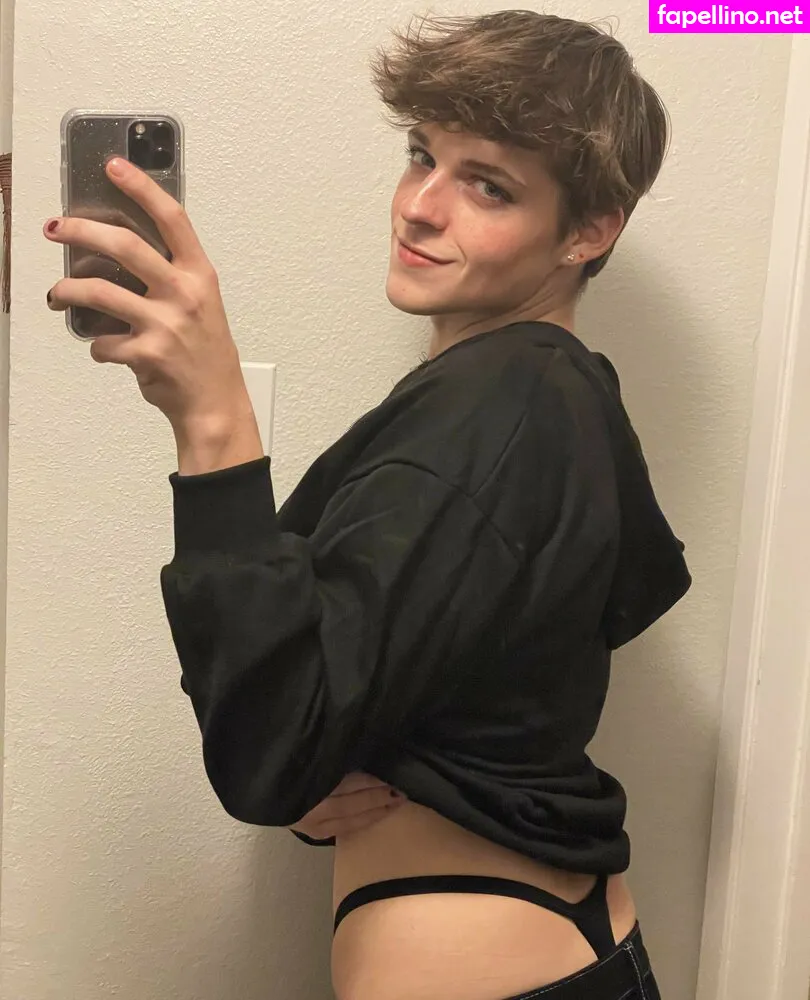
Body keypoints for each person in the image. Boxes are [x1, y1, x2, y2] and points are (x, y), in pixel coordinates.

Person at [43, 10, 691, 999]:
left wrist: (215, 417)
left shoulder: (510, 399)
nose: (420, 207)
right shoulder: (529, 396)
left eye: (488, 185)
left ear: (589, 231)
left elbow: (266, 751)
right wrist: (326, 757)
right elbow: (384, 675)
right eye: (422, 155)